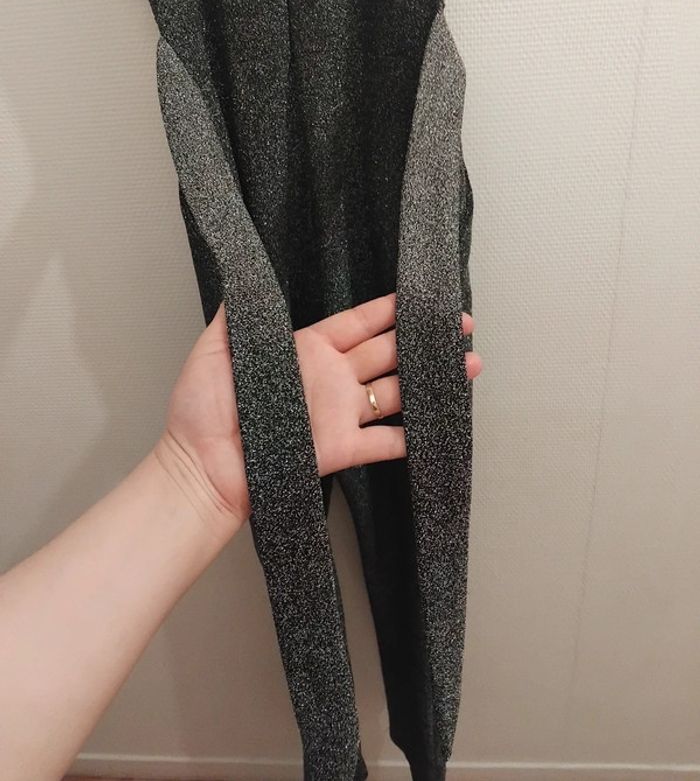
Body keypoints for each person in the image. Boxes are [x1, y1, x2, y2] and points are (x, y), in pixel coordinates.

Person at [0, 292, 482, 781]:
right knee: (303, 564)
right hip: (263, 326)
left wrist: (190, 473)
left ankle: (417, 744)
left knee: (413, 534)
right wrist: (192, 470)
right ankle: (344, 757)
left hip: (380, 296)